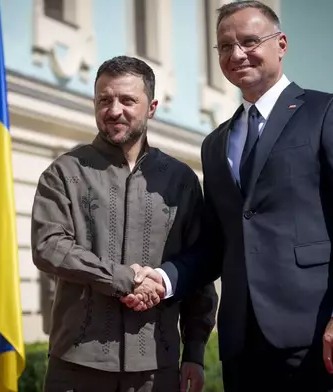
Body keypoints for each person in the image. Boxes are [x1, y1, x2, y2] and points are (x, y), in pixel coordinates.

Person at [124, 2, 333, 391]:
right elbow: (216, 243)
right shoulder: (215, 144)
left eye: (249, 41)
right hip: (242, 344)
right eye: (225, 46)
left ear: (281, 44)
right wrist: (165, 278)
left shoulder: (327, 112)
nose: (236, 54)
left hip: (318, 334)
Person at [31, 55, 218, 392]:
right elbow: (49, 247)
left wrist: (193, 352)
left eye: (127, 100)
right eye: (105, 100)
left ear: (152, 107)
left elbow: (198, 269)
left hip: (156, 373)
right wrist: (125, 279)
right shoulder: (64, 172)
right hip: (75, 368)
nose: (114, 110)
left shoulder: (180, 180)